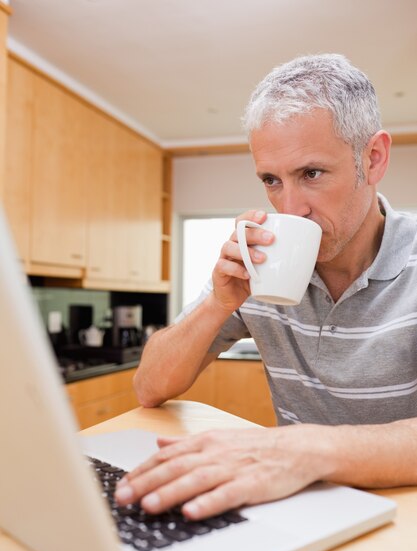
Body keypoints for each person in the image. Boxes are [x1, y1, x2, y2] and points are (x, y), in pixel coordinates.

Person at [115, 53, 417, 519]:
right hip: (297, 508)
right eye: (271, 180)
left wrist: (304, 450)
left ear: (372, 158)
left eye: (311, 174)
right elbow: (149, 387)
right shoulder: (264, 261)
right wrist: (219, 302)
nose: (290, 207)